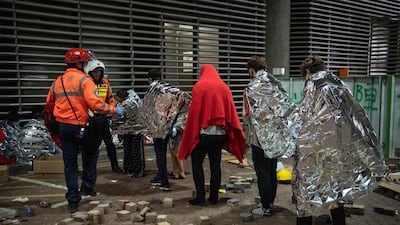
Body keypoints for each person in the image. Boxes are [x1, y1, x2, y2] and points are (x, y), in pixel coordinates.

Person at [293, 55, 388, 225]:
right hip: (339, 146)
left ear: (307, 71)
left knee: (305, 191)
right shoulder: (338, 83)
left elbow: (305, 117)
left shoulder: (313, 84)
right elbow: (355, 115)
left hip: (316, 148)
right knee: (335, 189)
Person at [45, 48, 124, 213]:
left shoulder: (57, 82)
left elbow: (49, 105)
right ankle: (88, 186)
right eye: (85, 62)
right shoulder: (84, 80)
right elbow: (95, 104)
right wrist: (113, 110)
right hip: (82, 126)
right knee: (91, 155)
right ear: (79, 63)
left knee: (70, 165)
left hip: (64, 127)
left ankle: (73, 200)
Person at [178, 64, 246, 206]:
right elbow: (230, 111)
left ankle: (201, 197)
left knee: (197, 163)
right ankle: (214, 197)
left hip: (203, 134)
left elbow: (195, 112)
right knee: (215, 165)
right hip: (220, 135)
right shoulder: (224, 87)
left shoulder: (199, 87)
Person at [243, 56, 301, 216]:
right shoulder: (275, 83)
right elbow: (286, 107)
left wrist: (246, 135)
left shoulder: (251, 87)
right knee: (271, 170)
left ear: (251, 70)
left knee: (262, 172)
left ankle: (266, 206)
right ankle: (271, 202)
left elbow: (248, 115)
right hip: (276, 136)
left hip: (259, 138)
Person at [139, 68, 190, 191]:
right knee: (164, 152)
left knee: (160, 153)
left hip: (158, 128)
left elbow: (149, 110)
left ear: (150, 79)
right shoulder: (170, 88)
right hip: (169, 127)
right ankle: (160, 176)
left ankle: (164, 181)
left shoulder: (153, 91)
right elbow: (185, 102)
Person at [85, 59, 123, 173]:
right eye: (95, 72)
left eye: (99, 72)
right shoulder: (87, 83)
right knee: (92, 145)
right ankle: (90, 169)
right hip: (91, 118)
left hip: (103, 116)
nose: (97, 74)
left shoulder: (105, 82)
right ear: (90, 72)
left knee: (109, 143)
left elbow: (110, 98)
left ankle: (114, 165)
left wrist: (111, 111)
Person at [113, 89, 146, 178]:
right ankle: (135, 170)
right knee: (133, 150)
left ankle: (134, 170)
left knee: (132, 150)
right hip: (132, 129)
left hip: (133, 129)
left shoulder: (126, 105)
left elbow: (119, 117)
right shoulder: (133, 100)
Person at [168, 115, 186, 179]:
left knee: (176, 152)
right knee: (173, 152)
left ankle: (181, 172)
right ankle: (175, 171)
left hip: (177, 128)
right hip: (175, 126)